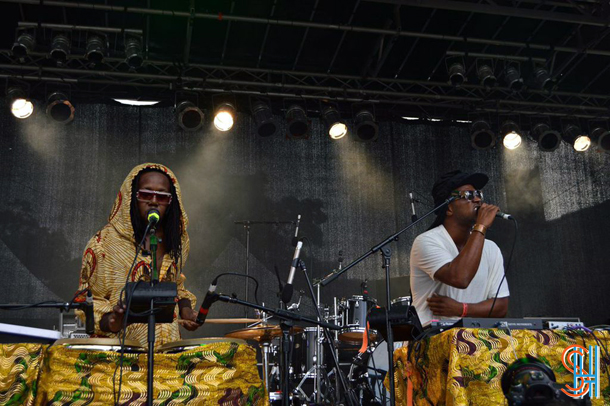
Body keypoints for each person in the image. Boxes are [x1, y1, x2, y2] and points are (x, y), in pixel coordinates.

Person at [77, 163, 200, 349]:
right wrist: (113, 320)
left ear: (171, 201)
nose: (153, 201)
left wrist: (186, 309)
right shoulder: (103, 243)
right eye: (145, 194)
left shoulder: (178, 241)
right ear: (131, 198)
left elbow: (175, 284)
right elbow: (85, 302)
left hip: (168, 348)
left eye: (162, 196)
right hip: (120, 354)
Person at [410, 170, 510, 327]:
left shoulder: (491, 248)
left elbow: (501, 306)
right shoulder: (426, 241)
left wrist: (462, 309)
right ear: (449, 208)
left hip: (474, 339)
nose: (477, 199)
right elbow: (460, 278)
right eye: (469, 195)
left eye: (478, 194)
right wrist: (481, 226)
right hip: (431, 338)